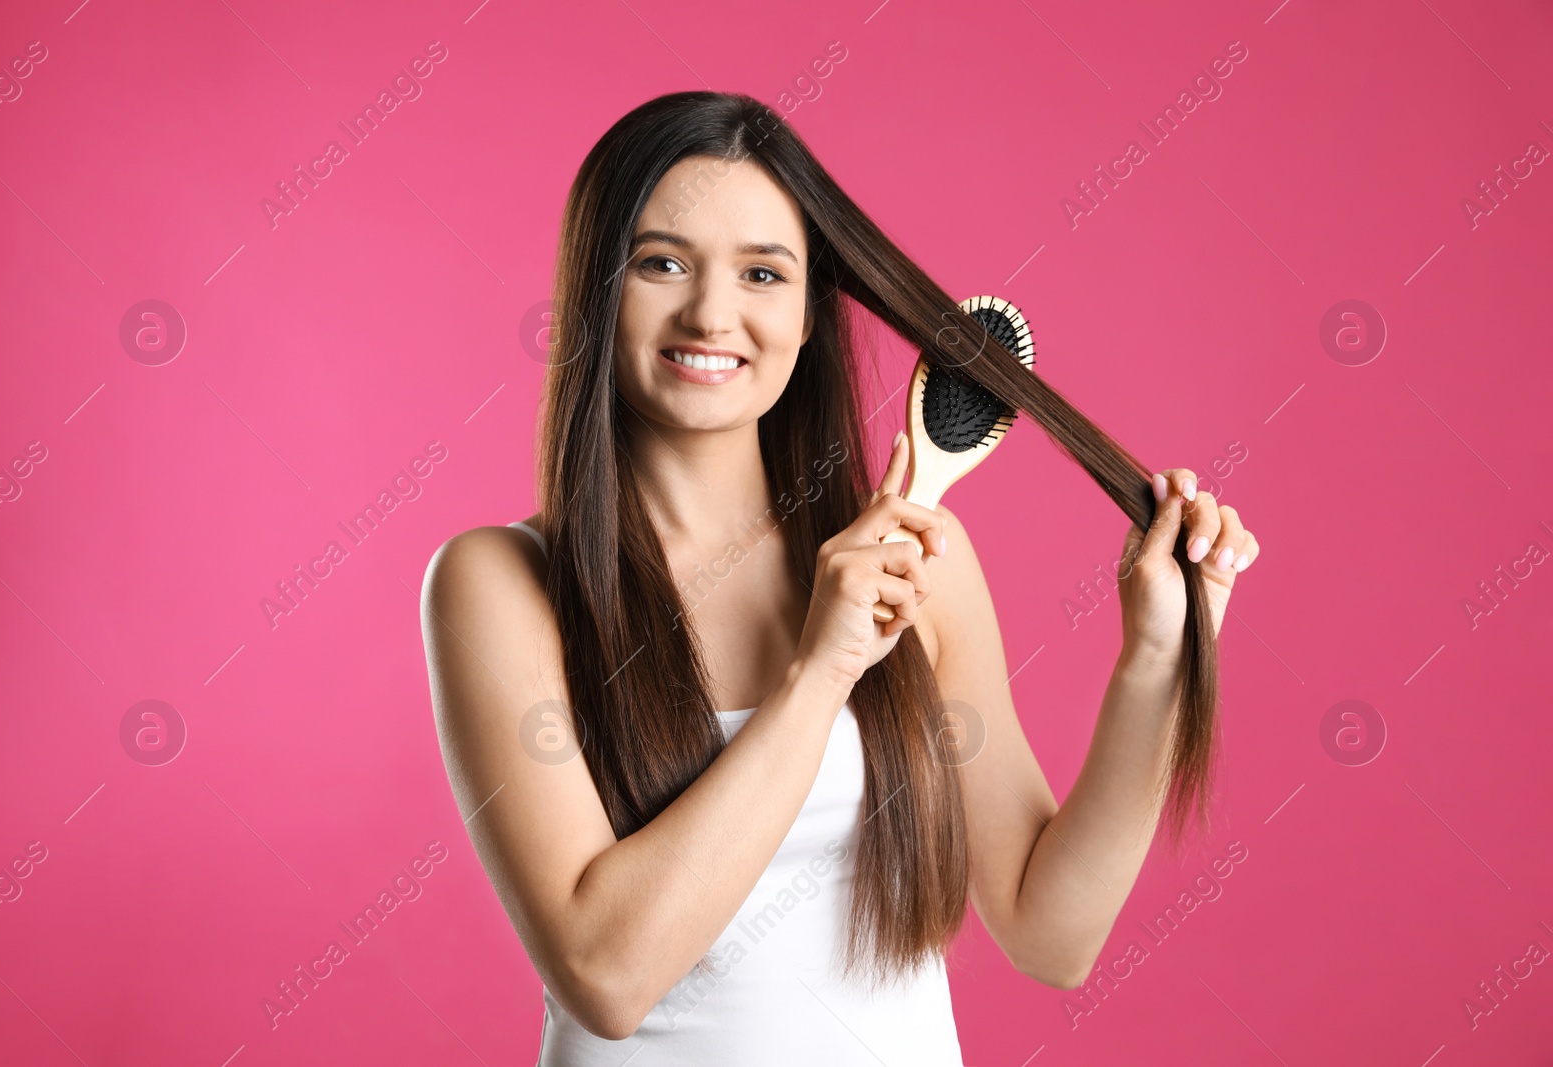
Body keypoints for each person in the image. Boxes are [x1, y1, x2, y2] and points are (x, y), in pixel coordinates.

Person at [419, 91, 1260, 1066]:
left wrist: (1153, 659)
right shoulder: (499, 583)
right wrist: (820, 670)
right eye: (661, 262)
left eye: (763, 273)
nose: (711, 312)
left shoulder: (919, 568)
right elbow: (605, 972)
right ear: (595, 291)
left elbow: (1050, 930)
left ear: (811, 312)